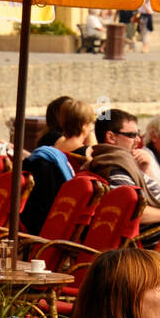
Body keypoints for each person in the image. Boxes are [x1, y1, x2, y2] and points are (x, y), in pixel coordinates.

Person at [86, 109, 160, 225]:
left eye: (138, 134)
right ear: (111, 137)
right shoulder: (115, 166)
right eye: (132, 135)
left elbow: (146, 194)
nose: (138, 140)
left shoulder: (121, 162)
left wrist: (144, 169)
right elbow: (130, 211)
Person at [21, 98, 96, 233]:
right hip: (66, 221)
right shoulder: (87, 156)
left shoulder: (48, 149)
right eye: (91, 124)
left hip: (34, 218)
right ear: (85, 126)